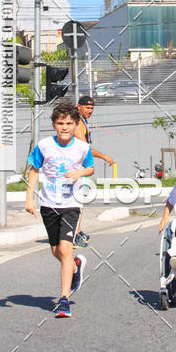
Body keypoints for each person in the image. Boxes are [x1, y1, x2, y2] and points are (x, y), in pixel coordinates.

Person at [25, 100, 94, 318]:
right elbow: (34, 170)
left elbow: (90, 168)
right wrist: (29, 199)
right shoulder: (44, 145)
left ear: (76, 125)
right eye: (60, 123)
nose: (65, 127)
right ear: (54, 124)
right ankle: (74, 266)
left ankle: (64, 299)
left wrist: (79, 173)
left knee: (65, 248)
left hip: (71, 204)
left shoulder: (82, 148)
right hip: (48, 203)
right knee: (56, 251)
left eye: (69, 123)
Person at [74, 94, 114, 246]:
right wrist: (104, 156)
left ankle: (77, 231)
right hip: (77, 168)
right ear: (79, 107)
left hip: (81, 167)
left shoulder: (83, 122)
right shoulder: (78, 123)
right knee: (77, 201)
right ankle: (74, 234)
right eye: (87, 108)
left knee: (80, 200)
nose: (90, 111)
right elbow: (85, 148)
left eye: (92, 108)